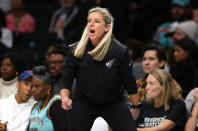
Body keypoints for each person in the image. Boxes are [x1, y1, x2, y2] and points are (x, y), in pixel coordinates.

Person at [60, 7, 139, 131]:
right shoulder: (75, 50)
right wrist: (65, 97)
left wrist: (136, 106)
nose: (91, 24)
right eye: (89, 20)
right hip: (83, 102)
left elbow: (130, 82)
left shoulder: (120, 51)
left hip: (113, 102)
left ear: (107, 27)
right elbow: (66, 81)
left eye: (97, 21)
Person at [29, 65, 69, 131]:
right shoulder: (35, 107)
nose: (33, 90)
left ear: (48, 88)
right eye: (32, 86)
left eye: (37, 86)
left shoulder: (57, 104)